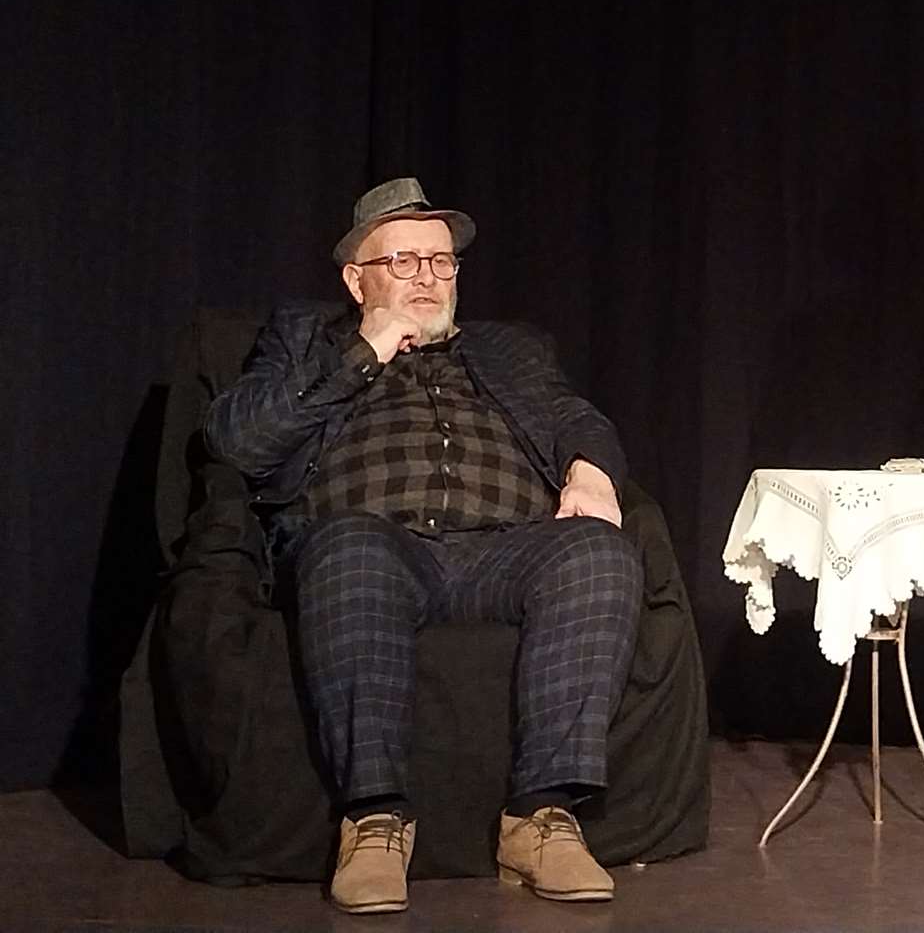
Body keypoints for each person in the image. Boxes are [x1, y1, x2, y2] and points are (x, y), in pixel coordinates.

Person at [205, 177, 642, 915]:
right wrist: (363, 354)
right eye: (403, 261)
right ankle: (375, 824)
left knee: (598, 554)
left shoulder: (507, 349)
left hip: (504, 550)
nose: (427, 278)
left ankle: (540, 820)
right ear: (357, 281)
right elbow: (238, 439)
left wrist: (591, 472)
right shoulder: (308, 341)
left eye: (441, 262)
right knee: (351, 547)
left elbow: (577, 416)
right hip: (376, 545)